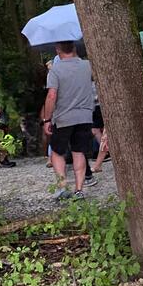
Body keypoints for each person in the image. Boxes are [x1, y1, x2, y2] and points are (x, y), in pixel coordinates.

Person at [41, 41, 97, 199]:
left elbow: (52, 96)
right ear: (74, 48)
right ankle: (79, 189)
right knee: (79, 152)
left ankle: (62, 187)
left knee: (58, 152)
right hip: (85, 116)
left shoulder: (55, 70)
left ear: (58, 50)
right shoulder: (87, 66)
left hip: (63, 118)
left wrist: (47, 119)